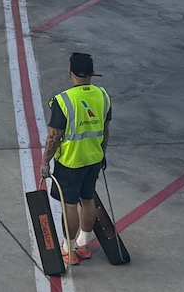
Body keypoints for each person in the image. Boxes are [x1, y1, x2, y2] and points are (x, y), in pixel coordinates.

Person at [43, 51, 111, 264]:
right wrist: (103, 155)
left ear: (70, 72)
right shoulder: (102, 96)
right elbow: (105, 131)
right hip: (94, 158)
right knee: (88, 199)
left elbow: (53, 137)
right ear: (92, 73)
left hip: (70, 162)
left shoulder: (63, 100)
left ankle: (69, 250)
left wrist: (45, 162)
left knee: (69, 205)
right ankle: (83, 243)